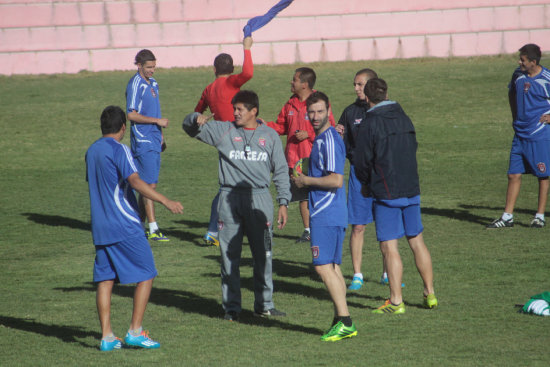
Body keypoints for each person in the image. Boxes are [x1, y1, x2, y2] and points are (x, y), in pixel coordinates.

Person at [183, 90, 290, 321]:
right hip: (229, 198)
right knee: (229, 255)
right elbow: (189, 129)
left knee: (264, 253)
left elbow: (281, 170)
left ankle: (264, 304)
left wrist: (283, 202)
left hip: (260, 198)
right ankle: (231, 307)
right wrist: (194, 119)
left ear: (254, 111)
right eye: (235, 109)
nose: (236, 113)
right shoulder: (224, 130)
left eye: (241, 109)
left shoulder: (269, 136)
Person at [86, 106, 183, 351]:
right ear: (123, 128)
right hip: (125, 225)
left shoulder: (91, 151)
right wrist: (165, 201)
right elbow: (135, 181)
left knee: (105, 280)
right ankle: (135, 332)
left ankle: (107, 337)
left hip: (100, 226)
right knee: (147, 273)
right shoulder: (120, 150)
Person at [354, 78, 437, 314]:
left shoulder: (370, 124)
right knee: (417, 241)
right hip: (411, 187)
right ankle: (429, 293)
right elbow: (414, 146)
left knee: (390, 247)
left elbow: (362, 162)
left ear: (368, 98)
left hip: (386, 191)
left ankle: (396, 301)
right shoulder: (404, 116)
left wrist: (367, 184)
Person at [292, 91, 357, 342]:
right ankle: (340, 319)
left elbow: (336, 180)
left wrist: (305, 180)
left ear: (328, 110)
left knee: (321, 267)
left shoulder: (328, 139)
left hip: (326, 212)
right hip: (331, 212)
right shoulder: (322, 139)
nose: (315, 116)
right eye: (311, 112)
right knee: (333, 267)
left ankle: (345, 321)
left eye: (320, 111)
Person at [194, 37, 254, 247]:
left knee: (232, 185)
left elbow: (196, 114)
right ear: (232, 68)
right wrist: (246, 49)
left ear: (214, 69)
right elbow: (248, 74)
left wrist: (201, 119)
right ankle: (215, 230)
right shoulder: (230, 82)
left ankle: (221, 228)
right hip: (238, 138)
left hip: (221, 139)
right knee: (236, 185)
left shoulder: (209, 89)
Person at [267, 67, 335, 243]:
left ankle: (321, 228)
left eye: (294, 80)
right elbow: (281, 127)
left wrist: (309, 134)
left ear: (304, 84)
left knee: (316, 195)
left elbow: (331, 128)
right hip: (294, 160)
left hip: (314, 159)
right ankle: (308, 231)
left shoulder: (319, 103)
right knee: (302, 197)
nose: (291, 82)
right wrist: (261, 125)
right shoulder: (290, 104)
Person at [487, 43, 550, 229]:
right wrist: (515, 117)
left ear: (533, 61)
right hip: (519, 134)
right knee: (513, 174)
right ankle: (507, 217)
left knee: (543, 174)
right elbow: (511, 94)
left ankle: (539, 216)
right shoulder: (517, 75)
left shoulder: (547, 78)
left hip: (539, 134)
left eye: (522, 60)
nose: (519, 62)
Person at [126, 49, 170, 241]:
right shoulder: (135, 85)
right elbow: (131, 114)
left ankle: (138, 225)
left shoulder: (153, 84)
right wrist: (156, 122)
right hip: (143, 141)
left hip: (154, 139)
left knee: (149, 184)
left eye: (154, 67)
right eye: (149, 67)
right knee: (148, 185)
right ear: (139, 65)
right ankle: (153, 229)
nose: (152, 70)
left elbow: (156, 110)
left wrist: (161, 136)